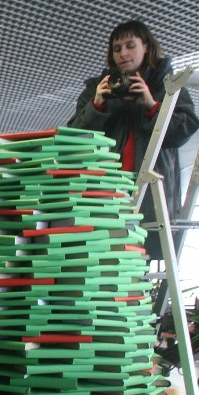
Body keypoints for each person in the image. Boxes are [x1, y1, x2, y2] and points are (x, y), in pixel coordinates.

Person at [67, 19, 199, 258]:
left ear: (146, 46)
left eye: (130, 46)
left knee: (141, 261)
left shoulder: (167, 86)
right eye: (117, 49)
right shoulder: (98, 89)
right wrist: (97, 105)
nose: (123, 54)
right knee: (102, 263)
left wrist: (152, 105)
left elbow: (184, 130)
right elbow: (73, 139)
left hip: (150, 197)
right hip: (104, 196)